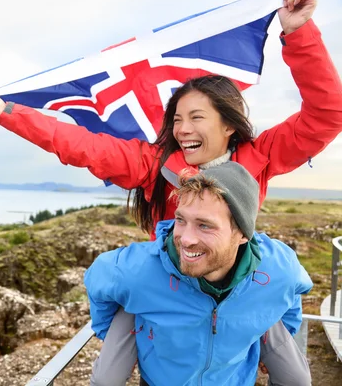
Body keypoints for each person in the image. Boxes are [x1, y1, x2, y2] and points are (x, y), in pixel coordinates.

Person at [0, 0, 339, 384]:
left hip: (234, 278)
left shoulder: (260, 156)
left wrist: (298, 33)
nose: (182, 130)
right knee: (112, 375)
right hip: (165, 282)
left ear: (229, 124)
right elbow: (83, 146)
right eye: (177, 119)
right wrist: (11, 113)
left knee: (294, 372)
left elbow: (326, 113)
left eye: (196, 117)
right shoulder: (154, 164)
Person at [83, 162, 313, 386]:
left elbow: (291, 296)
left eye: (204, 225)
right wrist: (127, 340)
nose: (186, 239)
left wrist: (264, 339)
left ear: (242, 234)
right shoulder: (137, 270)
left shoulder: (278, 269)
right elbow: (96, 281)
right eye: (181, 220)